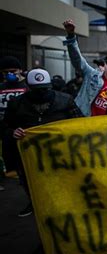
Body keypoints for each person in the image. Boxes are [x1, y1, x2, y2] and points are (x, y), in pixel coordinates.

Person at [4, 68, 83, 217]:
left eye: (44, 89)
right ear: (28, 87)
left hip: (59, 152)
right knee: (29, 181)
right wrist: (12, 132)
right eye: (36, 90)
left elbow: (80, 123)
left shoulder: (65, 100)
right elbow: (5, 125)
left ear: (50, 86)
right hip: (30, 156)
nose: (41, 93)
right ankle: (34, 202)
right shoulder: (17, 104)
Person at [63, 19, 107, 116]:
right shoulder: (92, 75)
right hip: (83, 120)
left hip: (105, 126)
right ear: (104, 63)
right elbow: (77, 59)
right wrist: (71, 36)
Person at [0, 56, 28, 178]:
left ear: (20, 70)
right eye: (6, 72)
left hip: (23, 127)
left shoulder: (27, 85)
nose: (9, 74)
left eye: (13, 71)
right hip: (4, 127)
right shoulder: (1, 87)